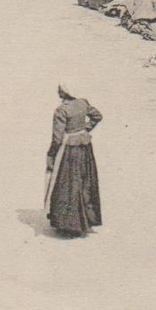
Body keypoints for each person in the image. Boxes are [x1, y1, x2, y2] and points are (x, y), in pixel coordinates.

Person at [45, 84, 103, 237]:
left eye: (59, 90)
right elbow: (97, 116)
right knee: (84, 180)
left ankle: (68, 224)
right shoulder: (83, 103)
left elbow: (57, 138)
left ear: (63, 93)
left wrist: (51, 154)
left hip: (69, 150)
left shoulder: (61, 110)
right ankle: (87, 219)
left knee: (67, 183)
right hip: (85, 147)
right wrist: (84, 129)